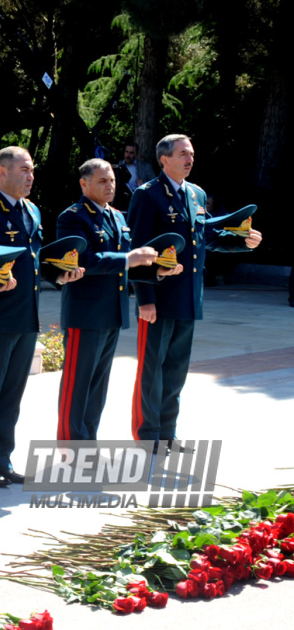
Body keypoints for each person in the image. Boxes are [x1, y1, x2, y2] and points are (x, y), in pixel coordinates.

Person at [127, 134, 262, 444]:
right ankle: (146, 435)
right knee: (152, 371)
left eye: (192, 153)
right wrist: (144, 299)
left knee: (175, 372)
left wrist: (243, 242)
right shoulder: (147, 196)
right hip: (158, 298)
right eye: (183, 153)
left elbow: (206, 237)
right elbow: (138, 249)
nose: (190, 158)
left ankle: (167, 433)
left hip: (188, 297)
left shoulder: (197, 194)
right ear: (165, 160)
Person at [0, 146, 82, 487]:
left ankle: (3, 458)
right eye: (24, 170)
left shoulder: (31, 210)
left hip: (25, 318)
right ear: (2, 172)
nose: (31, 177)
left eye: (32, 171)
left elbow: (34, 262)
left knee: (11, 395)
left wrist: (60, 275)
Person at [56, 159, 181, 441]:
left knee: (98, 386)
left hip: (112, 314)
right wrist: (127, 258)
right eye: (102, 181)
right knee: (77, 386)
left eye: (112, 180)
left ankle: (88, 442)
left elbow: (131, 266)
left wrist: (157, 271)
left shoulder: (117, 217)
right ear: (84, 184)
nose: (110, 186)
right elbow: (80, 260)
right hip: (84, 315)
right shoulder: (73, 217)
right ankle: (70, 448)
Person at [115, 142, 155, 211]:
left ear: (136, 154)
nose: (128, 155)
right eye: (126, 152)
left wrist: (144, 184)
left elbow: (155, 184)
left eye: (131, 153)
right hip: (121, 202)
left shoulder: (145, 166)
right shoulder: (118, 165)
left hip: (139, 201)